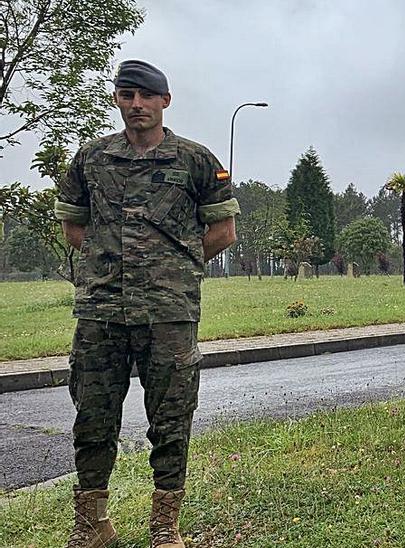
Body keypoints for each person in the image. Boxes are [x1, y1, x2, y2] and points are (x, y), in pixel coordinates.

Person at [54, 59, 240, 548]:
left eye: (146, 96)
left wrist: (174, 267)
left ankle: (165, 527)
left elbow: (222, 231)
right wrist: (108, 264)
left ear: (165, 101)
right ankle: (92, 524)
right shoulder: (91, 160)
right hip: (100, 313)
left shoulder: (197, 161)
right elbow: (75, 227)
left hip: (169, 314)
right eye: (126, 94)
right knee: (92, 418)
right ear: (117, 99)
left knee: (171, 419)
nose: (136, 105)